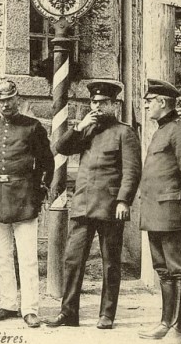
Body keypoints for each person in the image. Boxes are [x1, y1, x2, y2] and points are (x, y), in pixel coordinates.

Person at [44, 79, 142, 329]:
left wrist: (124, 200)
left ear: (113, 105)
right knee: (73, 260)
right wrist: (79, 127)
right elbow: (61, 147)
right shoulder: (88, 130)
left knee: (110, 263)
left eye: (102, 103)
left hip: (110, 207)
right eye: (93, 102)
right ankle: (68, 313)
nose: (96, 107)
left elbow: (132, 171)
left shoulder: (125, 133)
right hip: (83, 205)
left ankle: (107, 314)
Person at [0, 79, 53, 327]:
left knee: (28, 257)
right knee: (1, 255)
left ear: (17, 99)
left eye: (10, 99)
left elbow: (47, 163)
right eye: (1, 100)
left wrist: (39, 193)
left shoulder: (33, 127)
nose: (6, 104)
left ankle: (30, 309)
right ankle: (8, 304)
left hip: (24, 199)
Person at [137, 79, 181, 344]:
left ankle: (178, 330)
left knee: (180, 270)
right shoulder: (162, 130)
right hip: (154, 214)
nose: (147, 106)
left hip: (171, 214)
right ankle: (165, 323)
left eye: (150, 101)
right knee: (163, 271)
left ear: (162, 102)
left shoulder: (180, 132)